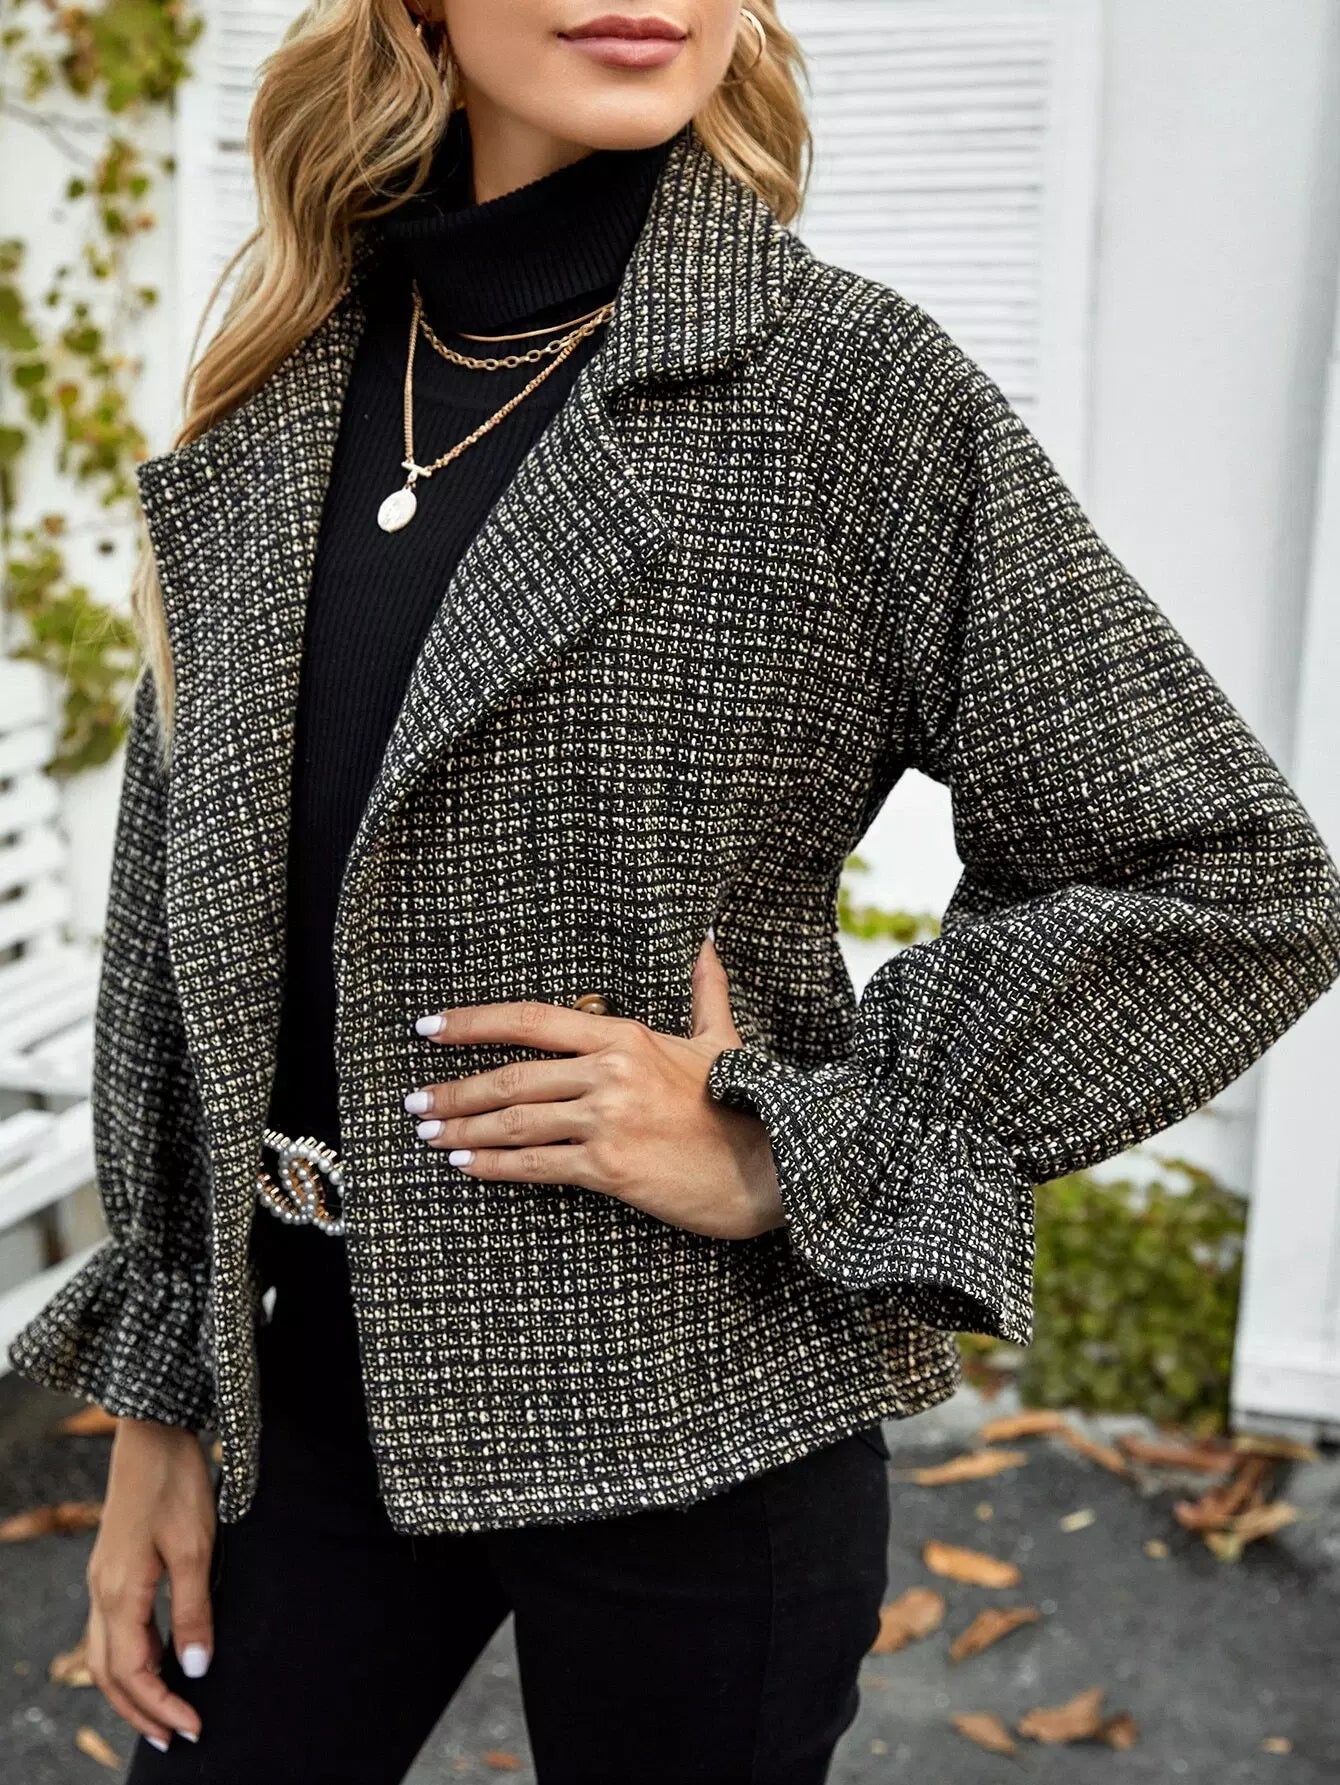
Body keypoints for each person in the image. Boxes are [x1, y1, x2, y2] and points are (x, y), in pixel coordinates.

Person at [7, 3, 1340, 1781]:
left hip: (696, 1403)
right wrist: (165, 1399)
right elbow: (183, 908)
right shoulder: (292, 380)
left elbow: (1226, 875)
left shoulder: (847, 394)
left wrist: (803, 1141)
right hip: (311, 1380)